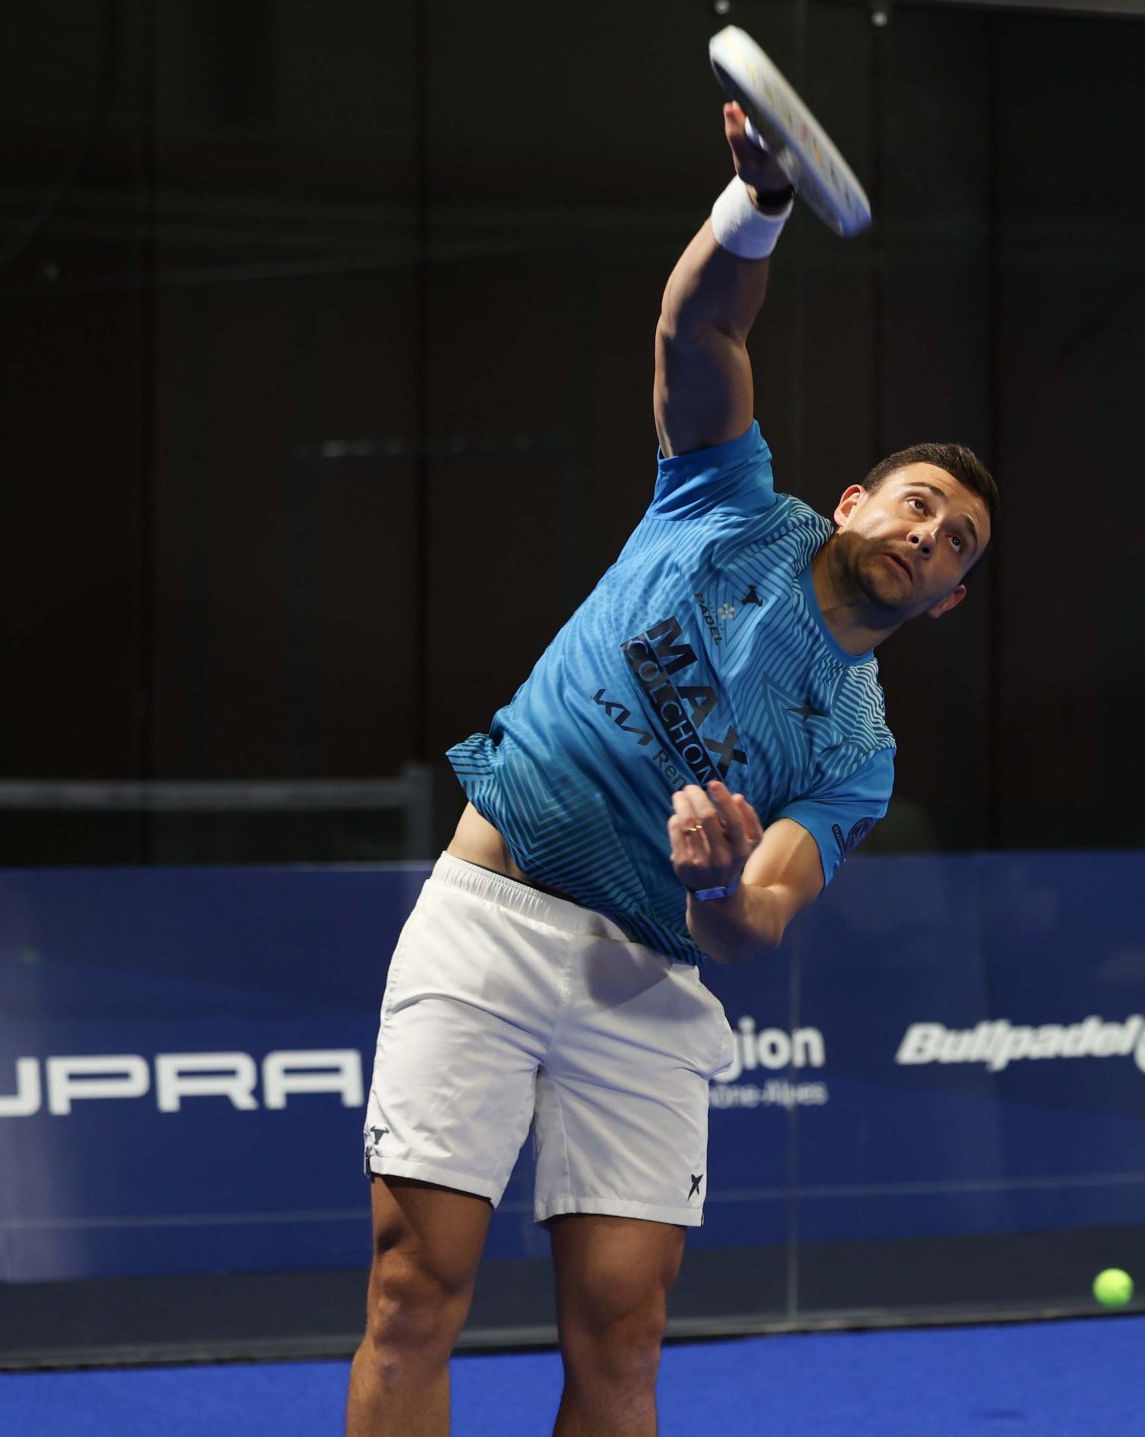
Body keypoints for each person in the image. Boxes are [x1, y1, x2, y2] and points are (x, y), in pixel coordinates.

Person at [343, 100, 997, 1437]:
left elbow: (759, 920)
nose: (932, 534)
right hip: (492, 916)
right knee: (415, 1294)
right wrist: (754, 201)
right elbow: (699, 332)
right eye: (920, 503)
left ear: (948, 602)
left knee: (625, 1339)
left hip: (646, 980)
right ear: (856, 502)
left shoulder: (855, 752)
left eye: (958, 543)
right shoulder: (722, 501)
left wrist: (712, 890)